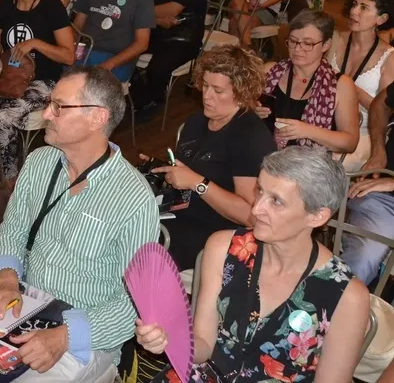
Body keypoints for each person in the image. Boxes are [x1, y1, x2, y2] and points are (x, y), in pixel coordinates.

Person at [0, 66, 159, 383]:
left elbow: (133, 303)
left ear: (97, 118)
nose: (46, 114)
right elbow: (13, 230)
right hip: (28, 303)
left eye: (59, 106)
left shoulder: (134, 199)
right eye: (50, 103)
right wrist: (7, 280)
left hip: (86, 333)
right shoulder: (40, 161)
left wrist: (64, 335)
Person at [137, 147, 369, 383]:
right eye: (260, 191)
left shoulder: (345, 296)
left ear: (317, 216)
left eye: (276, 201)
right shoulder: (225, 249)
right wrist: (169, 339)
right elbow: (204, 346)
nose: (256, 209)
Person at [153, 46, 275, 270]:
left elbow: (250, 215)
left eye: (218, 91)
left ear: (241, 93)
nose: (207, 96)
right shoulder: (196, 122)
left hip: (215, 235)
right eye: (205, 85)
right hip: (179, 216)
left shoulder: (250, 137)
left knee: (136, 250)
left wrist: (198, 183)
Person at [0, 0, 74, 183]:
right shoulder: (5, 5)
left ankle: (10, 179)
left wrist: (36, 44)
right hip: (8, 77)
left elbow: (69, 56)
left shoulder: (52, 7)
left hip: (45, 81)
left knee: (3, 116)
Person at [256, 11, 360, 156]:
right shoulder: (269, 71)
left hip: (306, 164)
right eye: (293, 41)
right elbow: (236, 109)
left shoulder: (340, 85)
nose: (297, 49)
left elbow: (350, 143)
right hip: (260, 153)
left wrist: (307, 131)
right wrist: (250, 110)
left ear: (326, 45)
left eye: (307, 43)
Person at [131, 0, 207, 121]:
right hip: (157, 30)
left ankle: (155, 101)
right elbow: (143, 5)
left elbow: (173, 9)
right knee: (124, 50)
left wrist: (149, 13)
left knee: (157, 69)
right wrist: (157, 19)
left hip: (184, 37)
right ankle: (142, 99)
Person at [328, 0, 394, 170]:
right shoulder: (335, 39)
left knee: (330, 164)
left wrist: (348, 88)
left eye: (364, 8)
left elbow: (385, 112)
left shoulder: (389, 57)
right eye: (354, 4)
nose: (354, 11)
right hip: (326, 121)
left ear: (381, 19)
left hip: (365, 132)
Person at [344, 79, 394, 284]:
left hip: (388, 187)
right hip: (384, 201)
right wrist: (378, 150)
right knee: (363, 257)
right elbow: (382, 102)